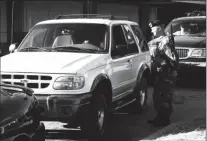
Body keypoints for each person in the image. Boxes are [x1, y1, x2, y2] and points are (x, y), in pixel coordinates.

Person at [148, 20, 179, 127]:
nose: (151, 30)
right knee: (157, 96)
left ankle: (165, 119)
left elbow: (173, 60)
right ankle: (160, 117)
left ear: (160, 27)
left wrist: (162, 63)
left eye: (153, 27)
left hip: (167, 74)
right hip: (160, 73)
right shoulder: (156, 41)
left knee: (165, 97)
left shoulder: (166, 41)